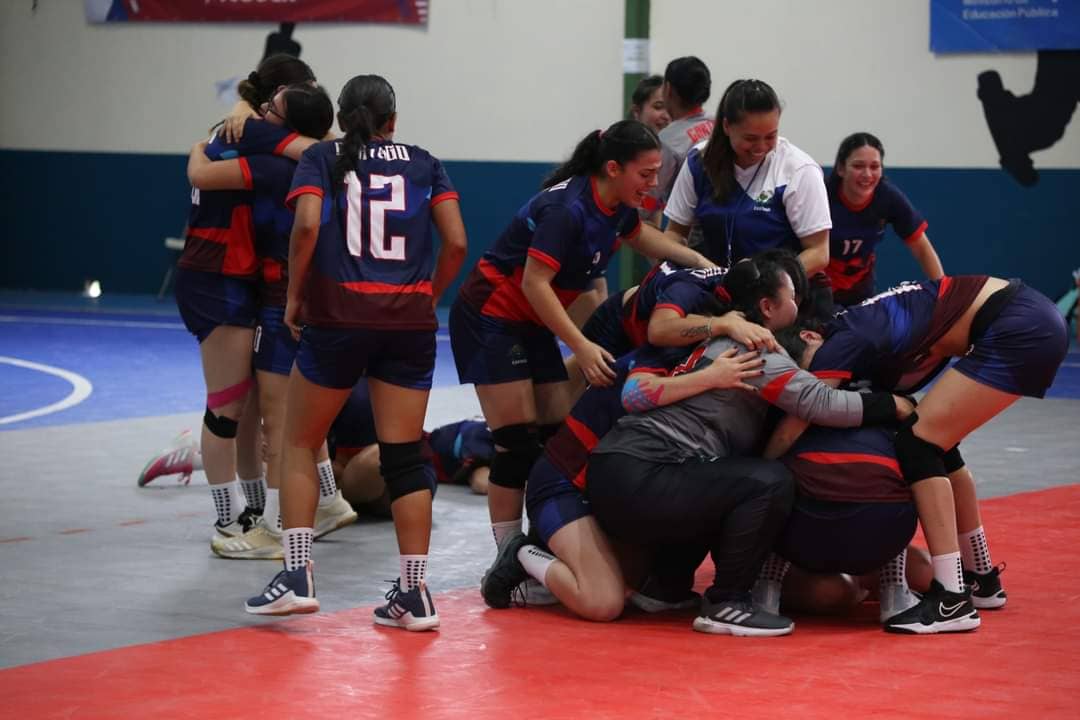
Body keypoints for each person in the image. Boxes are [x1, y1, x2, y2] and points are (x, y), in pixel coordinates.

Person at [582, 255, 914, 637]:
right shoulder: (759, 351)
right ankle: (727, 602)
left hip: (621, 471)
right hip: (640, 473)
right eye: (791, 296)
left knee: (722, 473)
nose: (799, 302)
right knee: (768, 480)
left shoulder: (717, 336)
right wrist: (893, 404)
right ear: (768, 308)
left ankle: (666, 588)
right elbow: (822, 402)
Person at [244, 74, 468, 632]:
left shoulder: (322, 158)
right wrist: (430, 294)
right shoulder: (425, 162)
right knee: (404, 458)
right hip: (409, 323)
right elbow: (458, 242)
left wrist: (296, 295)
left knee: (299, 441)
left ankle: (297, 578)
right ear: (393, 118)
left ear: (342, 117)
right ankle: (414, 594)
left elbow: (307, 226)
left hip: (339, 316)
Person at [449, 119, 715, 588]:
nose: (654, 184)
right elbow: (534, 283)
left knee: (555, 434)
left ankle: (542, 542)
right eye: (646, 174)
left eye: (657, 173)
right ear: (612, 168)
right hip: (490, 316)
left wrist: (706, 266)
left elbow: (647, 239)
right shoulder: (567, 209)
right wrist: (581, 345)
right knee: (516, 443)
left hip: (529, 318)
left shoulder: (616, 205)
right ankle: (507, 558)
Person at [775, 276, 1068, 633]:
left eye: (807, 368)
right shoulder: (868, 325)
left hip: (1018, 326)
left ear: (809, 336)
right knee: (938, 445)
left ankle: (952, 600)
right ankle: (981, 578)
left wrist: (764, 462)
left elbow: (804, 411)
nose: (814, 377)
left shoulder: (843, 339)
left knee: (918, 444)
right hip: (1029, 317)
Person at [182, 84, 361, 561]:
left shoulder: (271, 159)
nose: (261, 113)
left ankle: (270, 525)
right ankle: (308, 504)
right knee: (267, 409)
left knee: (261, 415)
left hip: (276, 295)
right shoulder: (323, 157)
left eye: (271, 108)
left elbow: (200, 170)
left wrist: (217, 132)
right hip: (279, 293)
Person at [663, 79, 831, 286]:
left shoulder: (799, 170)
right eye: (750, 138)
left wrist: (767, 285)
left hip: (781, 295)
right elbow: (675, 232)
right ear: (726, 126)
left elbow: (819, 252)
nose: (761, 147)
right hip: (715, 285)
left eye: (771, 136)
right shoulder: (699, 161)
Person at [825, 132, 944, 306]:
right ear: (841, 168)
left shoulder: (888, 197)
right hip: (819, 289)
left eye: (875, 166)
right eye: (858, 166)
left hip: (860, 289)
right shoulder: (821, 196)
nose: (867, 174)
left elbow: (922, 249)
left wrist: (944, 295)